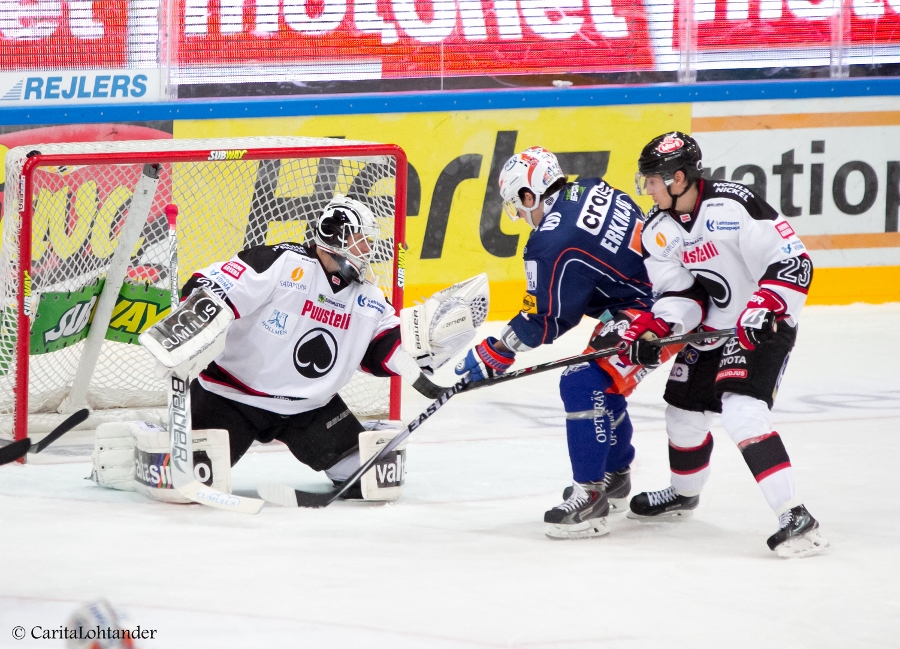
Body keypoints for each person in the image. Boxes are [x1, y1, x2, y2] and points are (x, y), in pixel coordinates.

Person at [620, 131, 828, 558]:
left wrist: (765, 303)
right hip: (714, 330)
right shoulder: (658, 231)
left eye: (654, 180)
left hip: (763, 322)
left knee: (741, 409)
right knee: (682, 415)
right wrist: (659, 332)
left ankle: (796, 515)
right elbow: (683, 297)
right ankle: (683, 495)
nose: (649, 188)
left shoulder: (734, 205)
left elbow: (794, 260)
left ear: (679, 178)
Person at [455, 146, 666, 539]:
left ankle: (590, 497)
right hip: (658, 293)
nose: (520, 216)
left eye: (518, 207)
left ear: (529, 195)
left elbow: (546, 321)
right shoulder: (589, 188)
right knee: (602, 380)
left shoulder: (550, 241)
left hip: (658, 312)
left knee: (581, 382)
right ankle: (615, 475)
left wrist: (497, 352)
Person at [179, 194, 434, 499]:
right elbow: (212, 286)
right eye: (360, 241)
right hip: (231, 397)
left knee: (374, 481)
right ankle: (157, 438)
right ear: (333, 234)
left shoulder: (368, 297)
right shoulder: (282, 263)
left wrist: (428, 343)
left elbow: (382, 352)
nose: (367, 250)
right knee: (181, 483)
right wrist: (191, 320)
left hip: (309, 408)